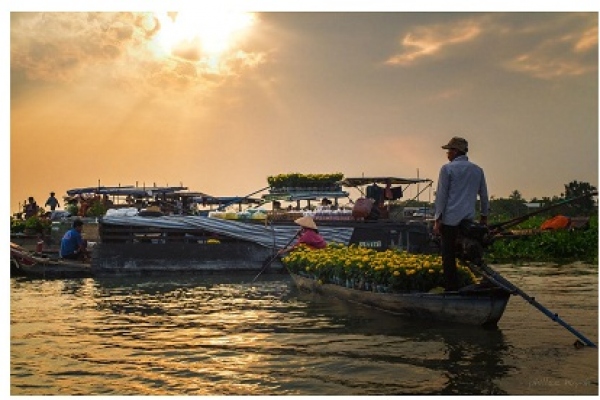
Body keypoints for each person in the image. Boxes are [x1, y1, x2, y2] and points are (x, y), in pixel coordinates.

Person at [433, 136, 489, 291]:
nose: (447, 154)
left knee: (448, 256)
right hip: (468, 221)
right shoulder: (477, 170)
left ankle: (451, 288)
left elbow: (442, 196)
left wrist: (437, 220)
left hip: (450, 220)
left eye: (449, 151)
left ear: (455, 151)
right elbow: (484, 196)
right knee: (470, 251)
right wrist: (484, 218)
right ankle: (473, 280)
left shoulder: (447, 169)